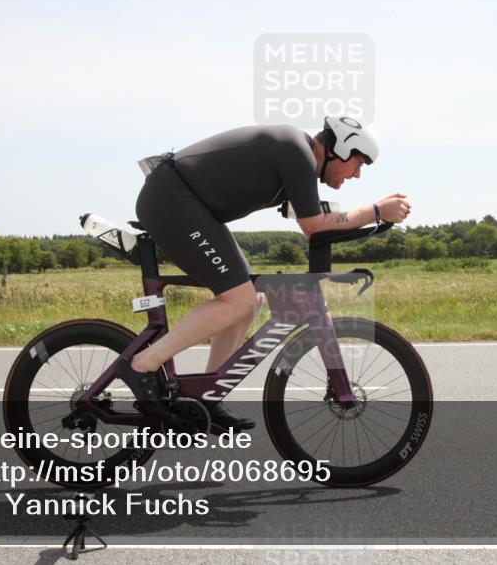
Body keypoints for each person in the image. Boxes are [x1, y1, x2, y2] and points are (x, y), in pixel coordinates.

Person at [116, 116, 411, 431]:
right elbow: (315, 226)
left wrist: (372, 217)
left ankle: (207, 397)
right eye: (358, 162)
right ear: (338, 149)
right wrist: (376, 212)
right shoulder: (296, 152)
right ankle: (143, 366)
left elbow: (317, 226)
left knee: (251, 299)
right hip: (171, 200)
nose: (357, 174)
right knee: (238, 299)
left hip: (184, 202)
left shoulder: (298, 157)